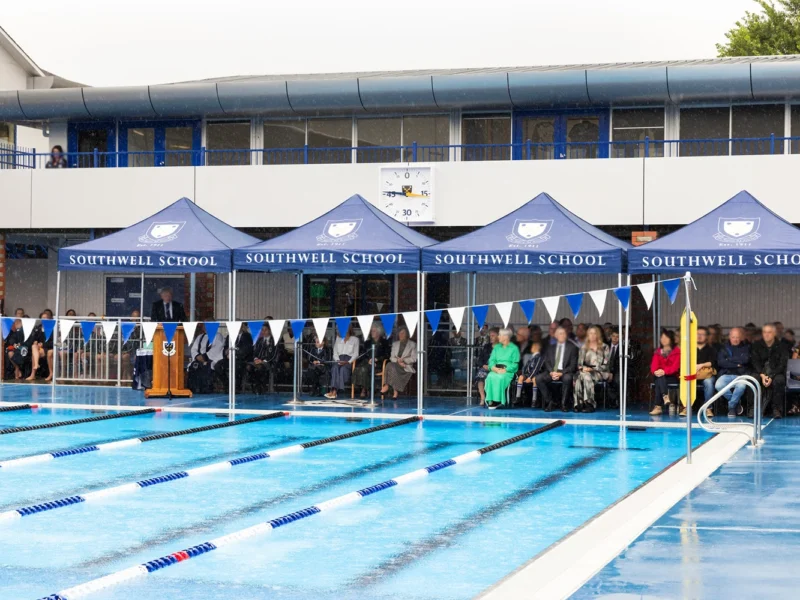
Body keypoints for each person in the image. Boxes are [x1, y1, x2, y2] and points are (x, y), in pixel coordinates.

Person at [535, 326, 579, 412]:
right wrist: (551, 372)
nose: (562, 335)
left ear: (566, 335)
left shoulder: (572, 348)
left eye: (563, 334)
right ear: (556, 335)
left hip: (565, 371)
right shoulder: (550, 347)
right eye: (559, 334)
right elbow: (547, 362)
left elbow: (573, 366)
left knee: (568, 378)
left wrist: (561, 373)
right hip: (552, 371)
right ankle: (550, 402)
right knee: (539, 378)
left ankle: (563, 404)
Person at [750, 323, 789, 419]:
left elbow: (782, 364)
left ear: (774, 333)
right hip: (760, 372)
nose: (766, 334)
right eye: (764, 332)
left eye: (769, 332)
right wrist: (762, 375)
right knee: (753, 379)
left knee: (779, 380)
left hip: (776, 372)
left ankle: (776, 409)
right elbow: (755, 362)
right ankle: (753, 408)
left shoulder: (782, 346)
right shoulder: (756, 345)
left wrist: (771, 376)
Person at [714, 327, 750, 417]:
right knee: (718, 385)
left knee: (741, 386)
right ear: (729, 337)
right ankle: (736, 404)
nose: (735, 339)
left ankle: (731, 407)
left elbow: (745, 360)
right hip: (726, 374)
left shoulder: (746, 347)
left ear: (741, 337)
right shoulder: (723, 348)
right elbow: (721, 362)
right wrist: (737, 364)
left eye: (737, 337)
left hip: (740, 375)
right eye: (733, 337)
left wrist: (729, 360)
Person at [573, 325, 609, 413]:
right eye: (590, 333)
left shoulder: (604, 347)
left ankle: (589, 404)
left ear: (598, 335)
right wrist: (583, 368)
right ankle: (580, 404)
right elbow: (579, 363)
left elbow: (606, 364)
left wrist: (593, 369)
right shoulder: (583, 347)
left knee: (585, 377)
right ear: (588, 335)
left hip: (599, 372)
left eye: (594, 333)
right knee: (580, 376)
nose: (592, 335)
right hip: (584, 371)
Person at [484, 328, 520, 410]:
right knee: (490, 377)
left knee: (500, 378)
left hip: (507, 371)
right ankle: (490, 400)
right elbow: (491, 360)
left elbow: (515, 365)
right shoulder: (496, 348)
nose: (498, 337)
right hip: (496, 369)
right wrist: (494, 368)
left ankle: (498, 400)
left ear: (506, 337)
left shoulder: (514, 349)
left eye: (500, 335)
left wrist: (506, 370)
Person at [649, 329, 681, 416]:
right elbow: (653, 366)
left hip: (672, 376)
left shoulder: (677, 351)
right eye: (662, 337)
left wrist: (664, 371)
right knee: (659, 378)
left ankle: (658, 406)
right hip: (659, 376)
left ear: (671, 339)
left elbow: (675, 367)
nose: (663, 339)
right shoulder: (658, 352)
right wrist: (656, 372)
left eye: (666, 337)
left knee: (659, 379)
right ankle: (665, 396)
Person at [215, 323, 254, 393]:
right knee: (218, 366)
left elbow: (246, 350)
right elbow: (225, 348)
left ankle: (236, 387)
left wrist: (235, 354)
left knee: (237, 366)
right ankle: (227, 385)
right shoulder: (229, 336)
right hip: (229, 358)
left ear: (241, 327)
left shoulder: (247, 336)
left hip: (242, 359)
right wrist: (226, 352)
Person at [353, 324, 390, 398]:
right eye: (371, 331)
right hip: (367, 362)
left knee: (364, 369)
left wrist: (377, 359)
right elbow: (363, 354)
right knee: (358, 369)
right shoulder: (367, 343)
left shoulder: (384, 342)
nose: (372, 333)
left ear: (379, 333)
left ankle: (364, 389)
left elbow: (387, 355)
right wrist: (368, 360)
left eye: (374, 331)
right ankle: (365, 388)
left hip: (379, 363)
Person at [325, 324, 359, 399]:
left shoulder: (355, 339)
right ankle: (334, 391)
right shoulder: (338, 339)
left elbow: (356, 354)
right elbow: (335, 353)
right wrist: (338, 361)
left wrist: (348, 362)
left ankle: (334, 391)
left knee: (343, 369)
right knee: (335, 368)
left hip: (348, 360)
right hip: (339, 359)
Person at [382, 326, 417, 399]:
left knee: (390, 366)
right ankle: (395, 390)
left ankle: (387, 385)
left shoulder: (413, 344)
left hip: (405, 367)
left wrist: (403, 361)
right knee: (390, 365)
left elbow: (414, 358)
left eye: (402, 333)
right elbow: (392, 357)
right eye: (399, 333)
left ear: (407, 334)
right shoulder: (395, 344)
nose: (400, 335)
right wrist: (398, 361)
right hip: (396, 365)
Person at [248, 323, 282, 395]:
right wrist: (256, 359)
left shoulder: (274, 341)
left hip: (269, 362)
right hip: (258, 361)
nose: (264, 332)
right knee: (249, 367)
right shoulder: (259, 340)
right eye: (262, 330)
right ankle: (254, 385)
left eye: (265, 330)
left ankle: (260, 386)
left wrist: (263, 361)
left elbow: (274, 355)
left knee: (259, 368)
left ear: (269, 330)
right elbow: (255, 352)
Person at [692, 326, 717, 418]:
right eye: (698, 334)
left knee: (709, 382)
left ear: (706, 337)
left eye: (702, 334)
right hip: (692, 374)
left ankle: (708, 408)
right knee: (685, 380)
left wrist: (701, 365)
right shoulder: (689, 349)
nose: (699, 336)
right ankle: (686, 406)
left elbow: (713, 362)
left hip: (706, 375)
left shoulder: (711, 349)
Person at [474, 327, 499, 405]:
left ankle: (491, 397)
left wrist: (493, 367)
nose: (490, 337)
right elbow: (480, 359)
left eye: (493, 336)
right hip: (486, 367)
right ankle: (483, 397)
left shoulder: (502, 347)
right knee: (481, 375)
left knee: (492, 377)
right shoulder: (486, 346)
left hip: (496, 368)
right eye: (490, 336)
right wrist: (483, 365)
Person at [187, 323, 214, 394]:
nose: (204, 327)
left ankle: (205, 389)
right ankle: (193, 389)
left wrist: (204, 357)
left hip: (210, 359)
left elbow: (216, 349)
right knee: (193, 367)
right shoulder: (200, 337)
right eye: (204, 325)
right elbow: (194, 349)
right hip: (198, 359)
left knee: (206, 367)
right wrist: (197, 356)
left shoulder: (217, 336)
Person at [517, 340, 545, 407]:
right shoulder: (532, 357)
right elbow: (526, 366)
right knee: (521, 377)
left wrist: (530, 377)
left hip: (536, 374)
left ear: (535, 348)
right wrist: (524, 373)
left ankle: (534, 400)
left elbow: (536, 368)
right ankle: (518, 397)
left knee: (535, 379)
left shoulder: (539, 357)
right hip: (528, 374)